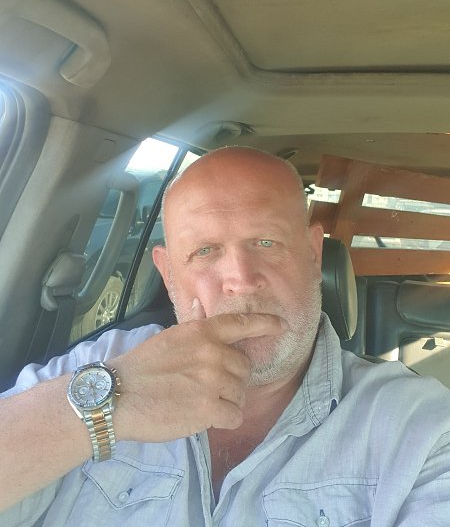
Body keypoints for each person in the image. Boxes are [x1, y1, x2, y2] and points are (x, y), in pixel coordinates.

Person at [0, 146, 449, 526]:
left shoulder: (420, 428)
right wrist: (106, 405)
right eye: (205, 251)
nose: (240, 280)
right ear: (168, 274)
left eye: (266, 242)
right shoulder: (101, 370)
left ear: (314, 255)